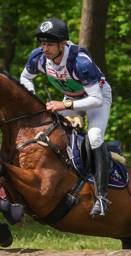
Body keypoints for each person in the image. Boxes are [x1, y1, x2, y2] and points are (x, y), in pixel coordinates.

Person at [20, 17, 113, 217]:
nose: (45, 48)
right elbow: (24, 78)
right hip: (71, 98)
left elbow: (95, 99)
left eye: (50, 44)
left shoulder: (79, 62)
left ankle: (102, 197)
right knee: (43, 128)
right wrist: (35, 100)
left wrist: (65, 105)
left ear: (63, 44)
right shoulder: (38, 57)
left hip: (96, 98)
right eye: (43, 43)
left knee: (94, 137)